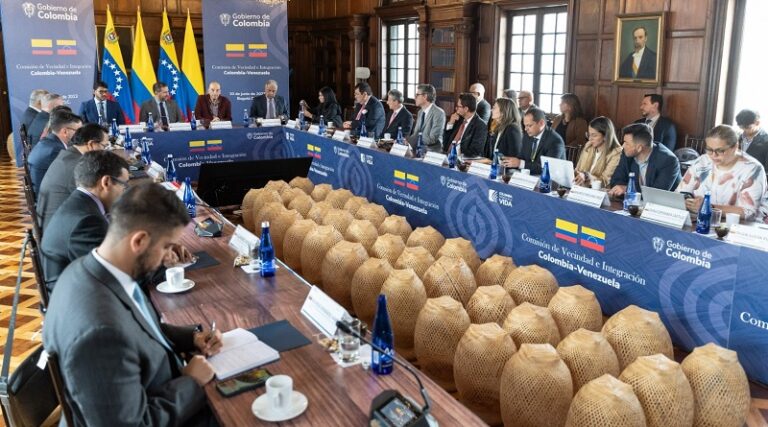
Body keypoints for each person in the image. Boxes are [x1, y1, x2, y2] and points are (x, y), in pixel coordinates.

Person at [42, 182, 222, 426]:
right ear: (139, 241)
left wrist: (192, 337)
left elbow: (137, 327)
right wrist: (191, 383)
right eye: (166, 247)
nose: (168, 256)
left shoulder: (86, 270)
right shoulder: (100, 335)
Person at [41, 151, 129, 292]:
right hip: (75, 297)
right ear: (106, 182)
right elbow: (112, 273)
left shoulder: (80, 203)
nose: (125, 192)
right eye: (124, 186)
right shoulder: (87, 221)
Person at [676, 125, 766, 222]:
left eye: (720, 151)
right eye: (709, 149)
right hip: (702, 220)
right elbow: (679, 194)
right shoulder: (702, 161)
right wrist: (688, 201)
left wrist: (708, 207)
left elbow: (748, 212)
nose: (713, 155)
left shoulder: (753, 168)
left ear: (735, 147)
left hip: (741, 225)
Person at [38, 124, 108, 231]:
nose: (105, 151)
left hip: (53, 223)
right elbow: (97, 201)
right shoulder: (79, 166)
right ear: (91, 144)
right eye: (104, 146)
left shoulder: (68, 155)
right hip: (60, 230)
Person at [608, 123, 681, 196]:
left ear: (639, 148)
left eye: (626, 143)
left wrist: (628, 189)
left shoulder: (668, 161)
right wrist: (622, 189)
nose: (623, 146)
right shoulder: (627, 153)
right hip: (633, 201)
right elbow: (615, 181)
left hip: (663, 202)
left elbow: (657, 194)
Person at [27, 109, 82, 197]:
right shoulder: (56, 150)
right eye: (78, 131)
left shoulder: (47, 142)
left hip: (43, 193)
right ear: (65, 131)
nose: (81, 134)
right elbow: (72, 177)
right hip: (48, 199)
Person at [502, 108, 565, 175]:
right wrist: (510, 161)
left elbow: (546, 168)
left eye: (529, 125)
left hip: (549, 179)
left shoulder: (555, 141)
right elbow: (522, 157)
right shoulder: (528, 135)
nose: (525, 129)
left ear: (541, 123)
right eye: (525, 125)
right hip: (530, 176)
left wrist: (520, 163)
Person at [573, 116, 623, 188]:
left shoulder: (616, 153)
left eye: (594, 135)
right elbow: (578, 170)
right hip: (581, 188)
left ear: (605, 136)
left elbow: (605, 181)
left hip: (600, 191)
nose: (590, 139)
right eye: (589, 134)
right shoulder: (589, 146)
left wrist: (587, 176)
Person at [443, 93, 488, 158]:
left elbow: (475, 151)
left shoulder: (480, 126)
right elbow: (445, 143)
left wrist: (456, 152)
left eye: (458, 106)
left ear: (466, 109)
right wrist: (450, 123)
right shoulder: (458, 119)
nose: (456, 108)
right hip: (447, 156)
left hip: (463, 160)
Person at [407, 84, 446, 152]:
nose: (415, 98)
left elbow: (432, 139)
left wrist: (411, 141)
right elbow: (416, 133)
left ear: (425, 96)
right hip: (418, 148)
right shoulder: (420, 112)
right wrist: (406, 141)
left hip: (432, 150)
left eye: (417, 95)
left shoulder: (439, 113)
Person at [735, 109, 768, 174]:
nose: (744, 130)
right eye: (741, 127)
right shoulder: (736, 138)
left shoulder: (766, 142)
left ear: (757, 123)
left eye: (747, 127)